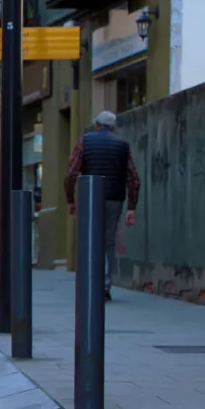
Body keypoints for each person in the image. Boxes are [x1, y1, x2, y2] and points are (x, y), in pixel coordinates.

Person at [63, 110, 140, 302]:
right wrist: (132, 207)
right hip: (114, 197)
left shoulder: (84, 141)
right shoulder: (123, 145)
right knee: (108, 242)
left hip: (90, 196)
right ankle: (105, 285)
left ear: (96, 125)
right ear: (113, 128)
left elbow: (71, 173)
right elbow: (133, 178)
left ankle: (89, 282)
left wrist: (70, 200)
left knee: (89, 239)